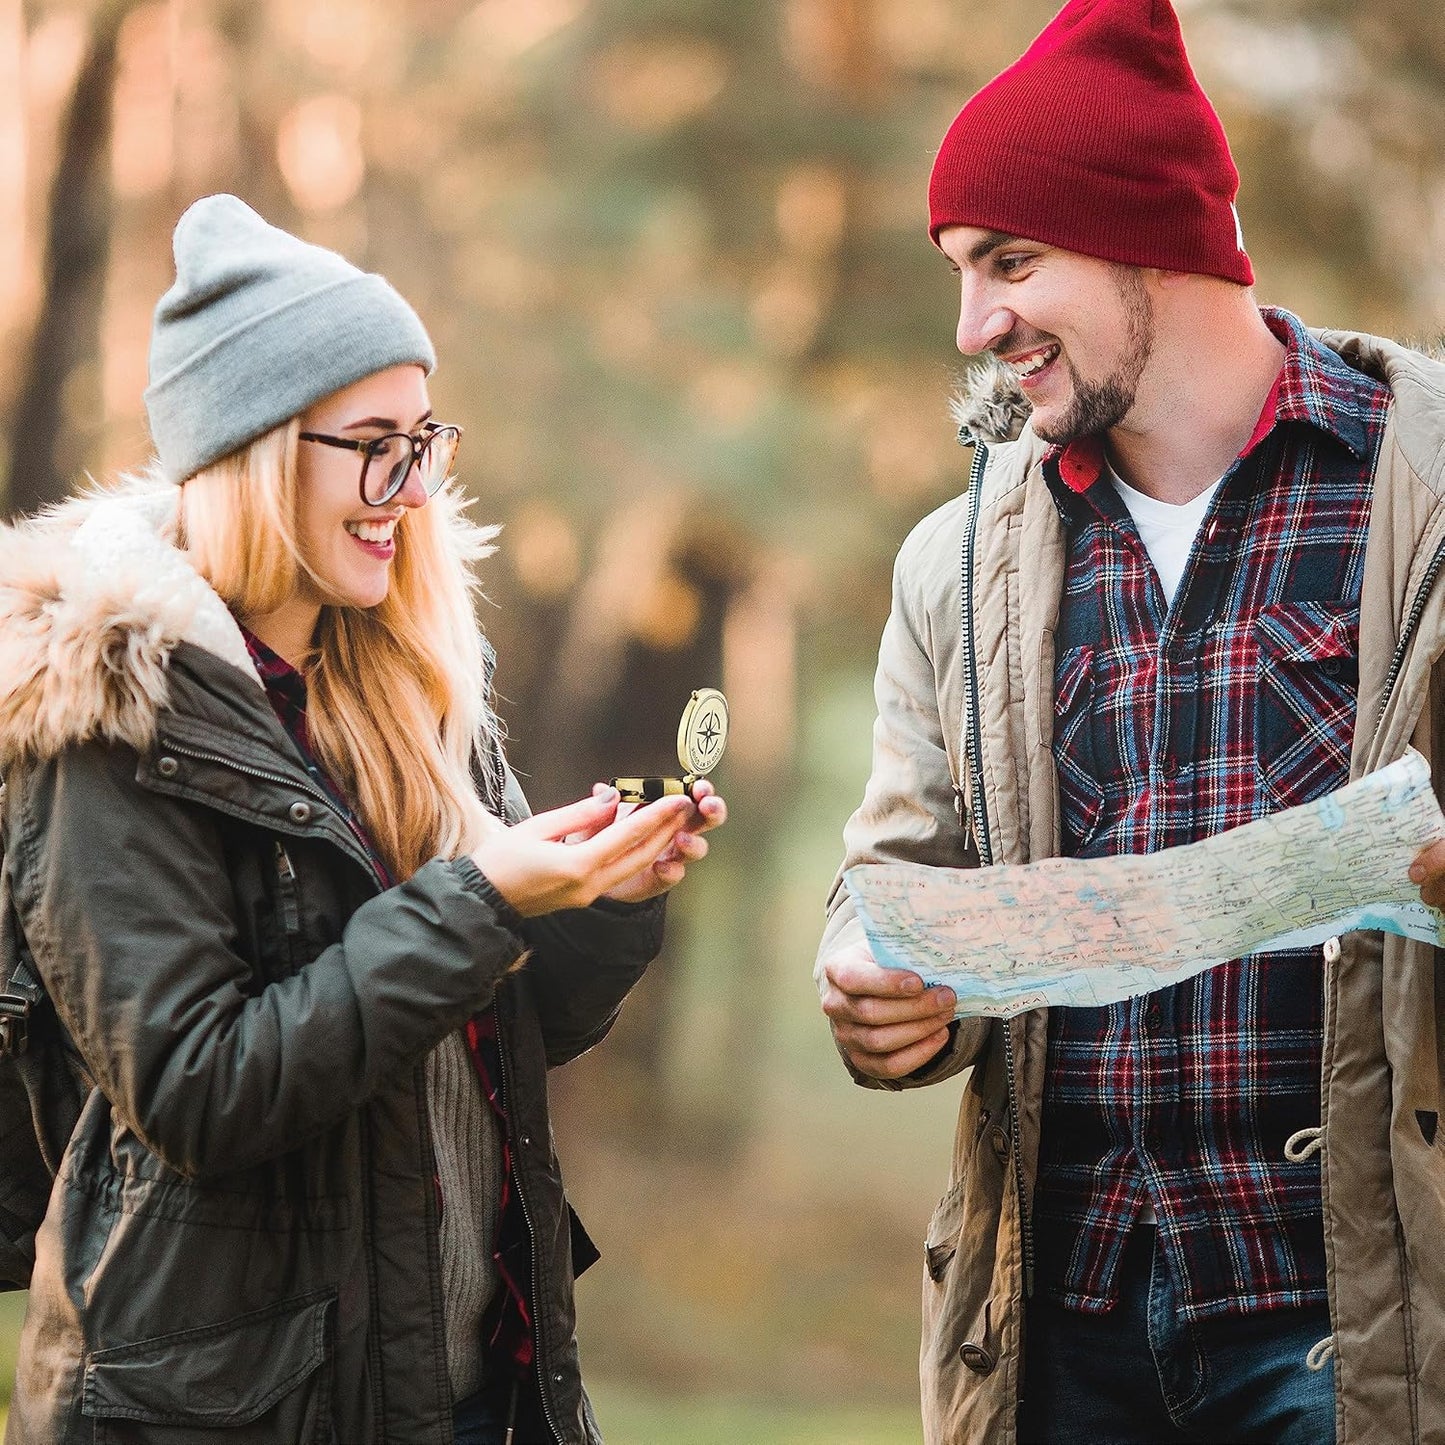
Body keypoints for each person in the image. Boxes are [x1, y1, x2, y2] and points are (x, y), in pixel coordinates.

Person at [814, 2, 1445, 1441]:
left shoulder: (1421, 488)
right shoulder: (956, 560)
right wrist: (868, 974)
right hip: (1062, 1322)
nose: (974, 326)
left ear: (1147, 230)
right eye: (961, 275)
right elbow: (892, 871)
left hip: (1348, 1313)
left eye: (1009, 261)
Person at [0, 194, 725, 1445]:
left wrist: (600, 901)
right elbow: (198, 1089)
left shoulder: (410, 692)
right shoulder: (108, 714)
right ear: (260, 447)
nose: (413, 486)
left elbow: (494, 1030)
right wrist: (482, 898)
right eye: (376, 444)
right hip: (221, 1412)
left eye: (425, 440)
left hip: (465, 1388)